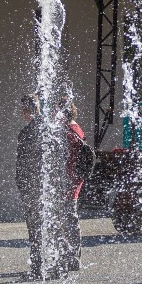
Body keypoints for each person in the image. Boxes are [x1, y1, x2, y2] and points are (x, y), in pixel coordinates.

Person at [15, 94, 45, 278]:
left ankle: (38, 268)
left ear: (27, 111)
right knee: (47, 226)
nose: (22, 113)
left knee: (35, 228)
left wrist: (22, 184)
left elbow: (23, 164)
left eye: (23, 110)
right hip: (46, 188)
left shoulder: (27, 132)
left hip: (33, 188)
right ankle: (53, 265)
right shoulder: (49, 129)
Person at [58, 99, 86, 274]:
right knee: (70, 219)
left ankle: (71, 257)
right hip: (74, 182)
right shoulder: (77, 129)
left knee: (68, 220)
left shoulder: (68, 133)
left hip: (67, 183)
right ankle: (72, 256)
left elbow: (64, 160)